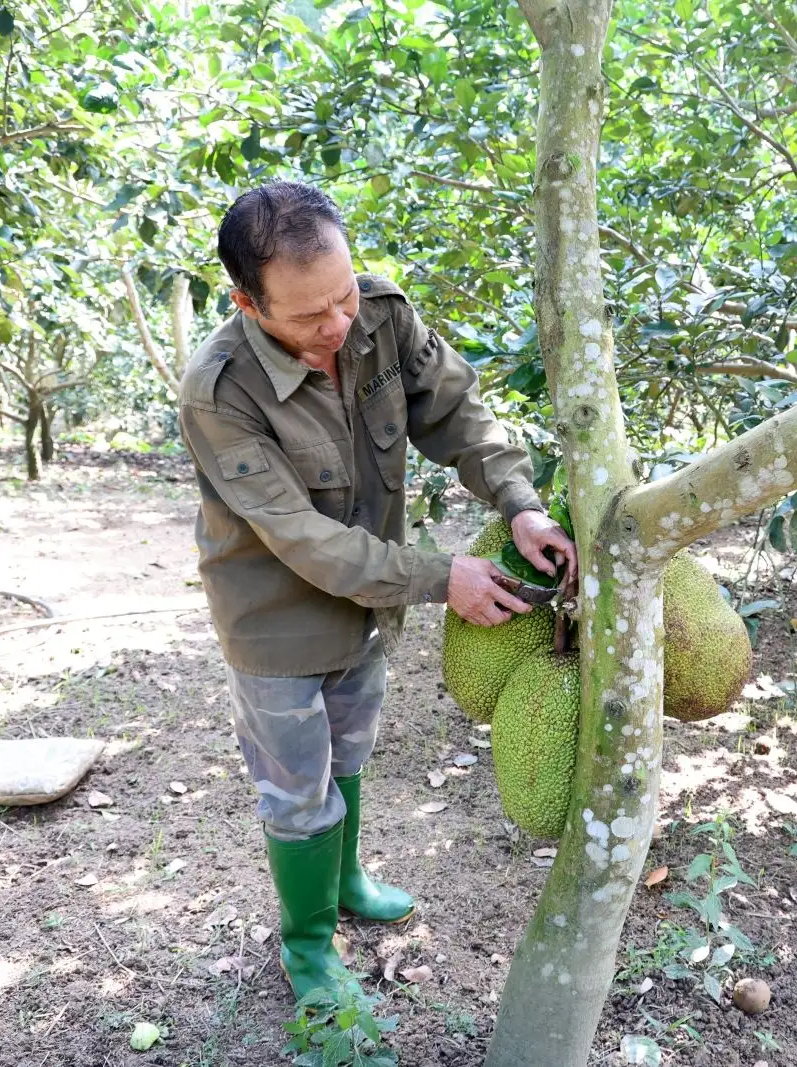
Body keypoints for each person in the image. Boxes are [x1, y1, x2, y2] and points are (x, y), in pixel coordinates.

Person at [177, 180, 576, 1002]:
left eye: (344, 295)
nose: (338, 324)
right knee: (298, 788)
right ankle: (308, 945)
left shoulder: (380, 315)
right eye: (309, 315)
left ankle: (347, 879)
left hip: (367, 598)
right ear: (247, 304)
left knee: (349, 746)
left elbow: (456, 411)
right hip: (273, 619)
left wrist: (520, 502)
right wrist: (441, 577)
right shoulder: (219, 393)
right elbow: (302, 538)